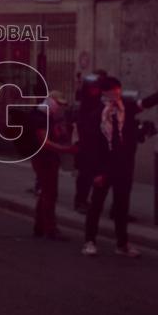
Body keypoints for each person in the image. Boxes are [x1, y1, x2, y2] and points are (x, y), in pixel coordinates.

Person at [81, 76, 158, 258]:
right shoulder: (96, 115)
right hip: (104, 168)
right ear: (105, 92)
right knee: (96, 205)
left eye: (118, 89)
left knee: (122, 206)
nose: (117, 93)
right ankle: (90, 240)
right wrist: (96, 172)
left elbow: (150, 101)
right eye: (113, 89)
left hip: (123, 167)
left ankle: (122, 243)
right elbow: (91, 147)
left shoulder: (127, 109)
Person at [30, 92, 77, 240]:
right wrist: (66, 149)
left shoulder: (46, 116)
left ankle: (40, 226)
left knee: (46, 192)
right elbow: (45, 142)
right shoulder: (40, 117)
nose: (59, 107)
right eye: (58, 104)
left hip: (46, 158)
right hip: (44, 159)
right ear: (51, 101)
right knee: (50, 194)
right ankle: (50, 229)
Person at [73, 73, 104, 213]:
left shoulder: (99, 102)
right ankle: (80, 201)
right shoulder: (84, 104)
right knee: (85, 175)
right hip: (86, 144)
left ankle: (90, 201)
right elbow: (81, 124)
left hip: (97, 144)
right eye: (93, 88)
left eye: (97, 88)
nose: (95, 91)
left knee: (96, 174)